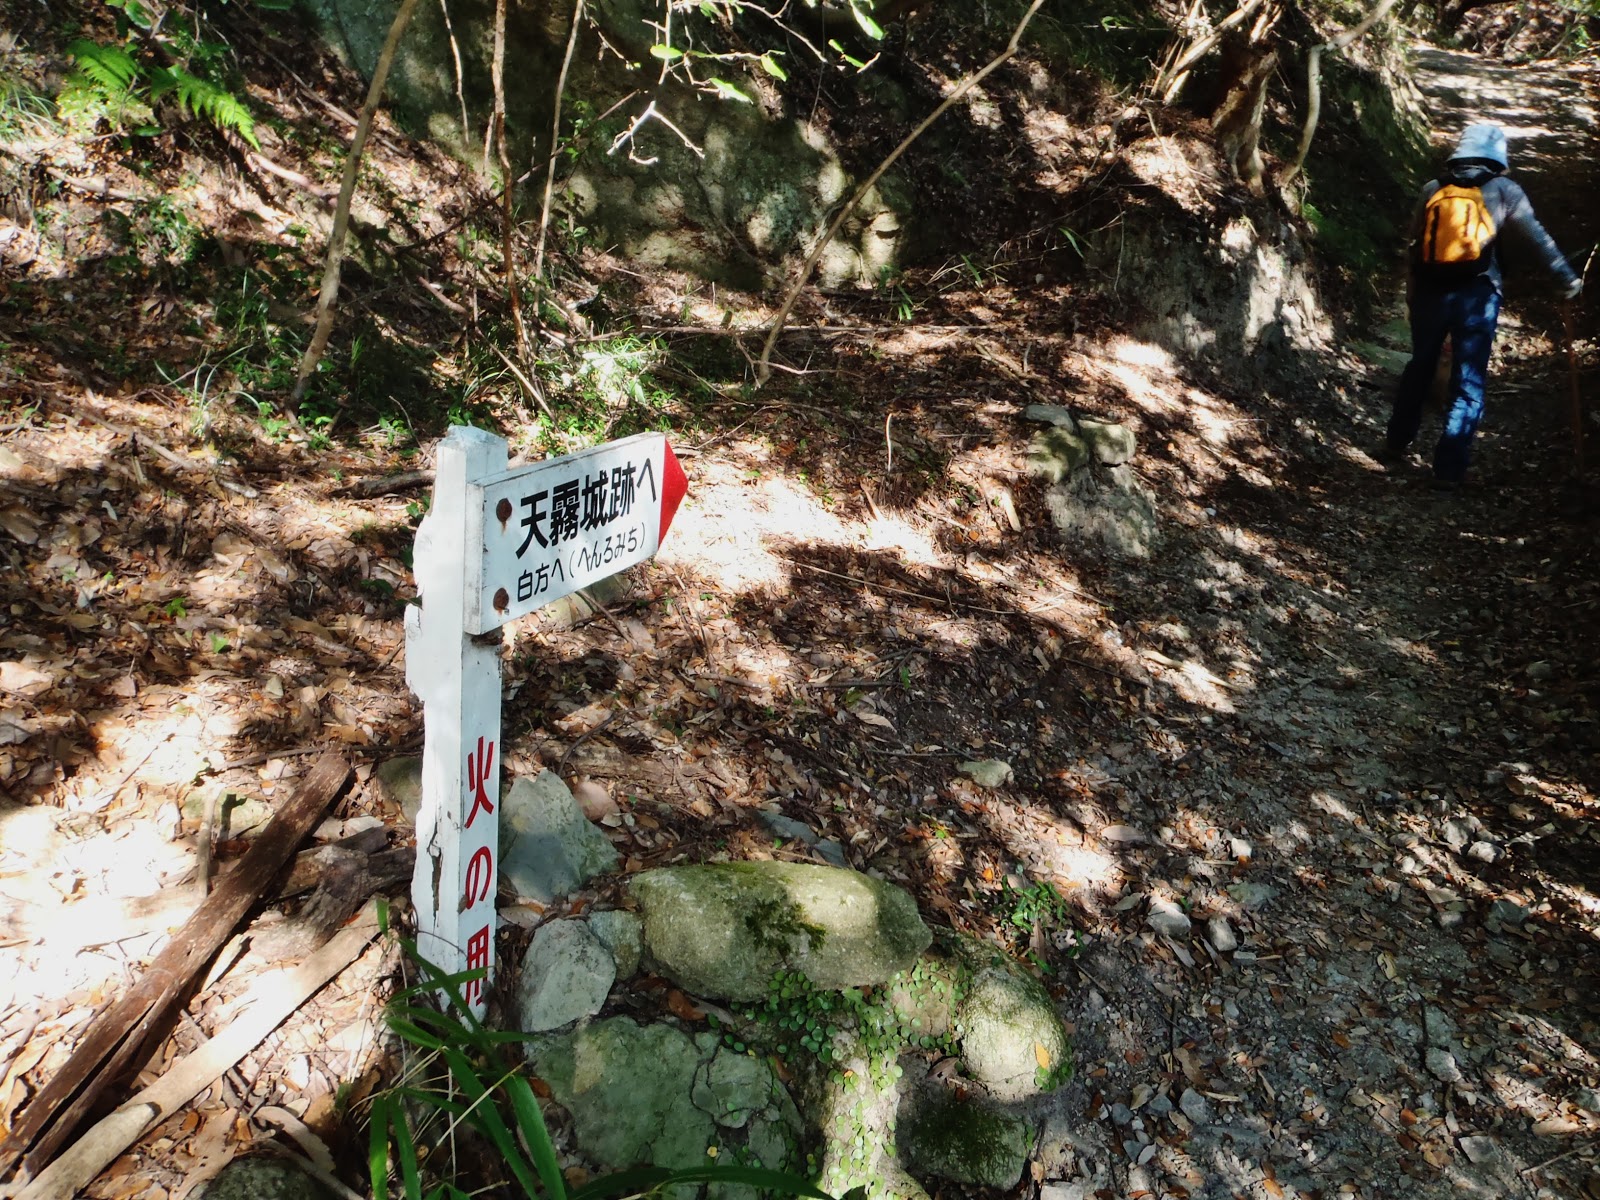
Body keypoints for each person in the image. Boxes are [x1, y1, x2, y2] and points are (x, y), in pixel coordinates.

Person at [1380, 122, 1582, 488]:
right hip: (1478, 293)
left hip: (1429, 291)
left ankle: (1395, 444)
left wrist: (1410, 291)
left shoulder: (1432, 188)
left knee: (1420, 366)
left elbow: (1413, 245)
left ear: (1458, 152)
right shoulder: (1505, 190)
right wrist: (1566, 279)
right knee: (1467, 380)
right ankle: (1449, 472)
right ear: (1498, 156)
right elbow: (1536, 238)